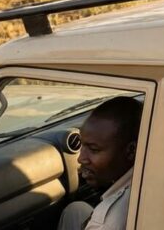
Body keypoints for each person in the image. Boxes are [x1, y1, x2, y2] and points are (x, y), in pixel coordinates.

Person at [58, 96, 143, 230]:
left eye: (93, 149)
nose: (81, 159)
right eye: (82, 145)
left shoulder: (106, 223)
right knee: (75, 210)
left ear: (131, 151)